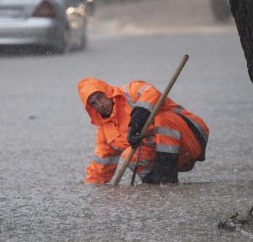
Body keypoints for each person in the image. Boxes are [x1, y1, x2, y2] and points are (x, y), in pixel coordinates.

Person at [78, 76, 210, 184]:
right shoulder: (105, 133)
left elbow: (151, 92)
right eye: (94, 103)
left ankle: (166, 181)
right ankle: (154, 185)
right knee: (129, 154)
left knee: (162, 120)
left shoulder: (130, 91)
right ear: (91, 109)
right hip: (177, 159)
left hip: (193, 137)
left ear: (107, 92)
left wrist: (137, 120)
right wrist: (90, 191)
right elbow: (100, 168)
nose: (100, 105)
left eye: (100, 97)